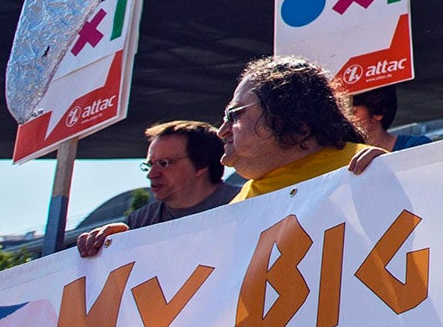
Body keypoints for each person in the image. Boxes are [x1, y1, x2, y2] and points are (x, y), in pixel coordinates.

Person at [218, 57, 383, 201]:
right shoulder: (236, 209)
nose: (222, 130)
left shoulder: (372, 169)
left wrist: (400, 174)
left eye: (234, 114)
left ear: (290, 116)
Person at [76, 121, 237, 257]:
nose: (152, 174)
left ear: (201, 165)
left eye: (164, 163)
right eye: (150, 165)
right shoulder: (138, 223)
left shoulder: (244, 203)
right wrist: (113, 245)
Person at [347, 85, 431, 153]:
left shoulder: (416, 146)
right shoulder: (342, 154)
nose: (345, 118)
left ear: (377, 113)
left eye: (352, 112)